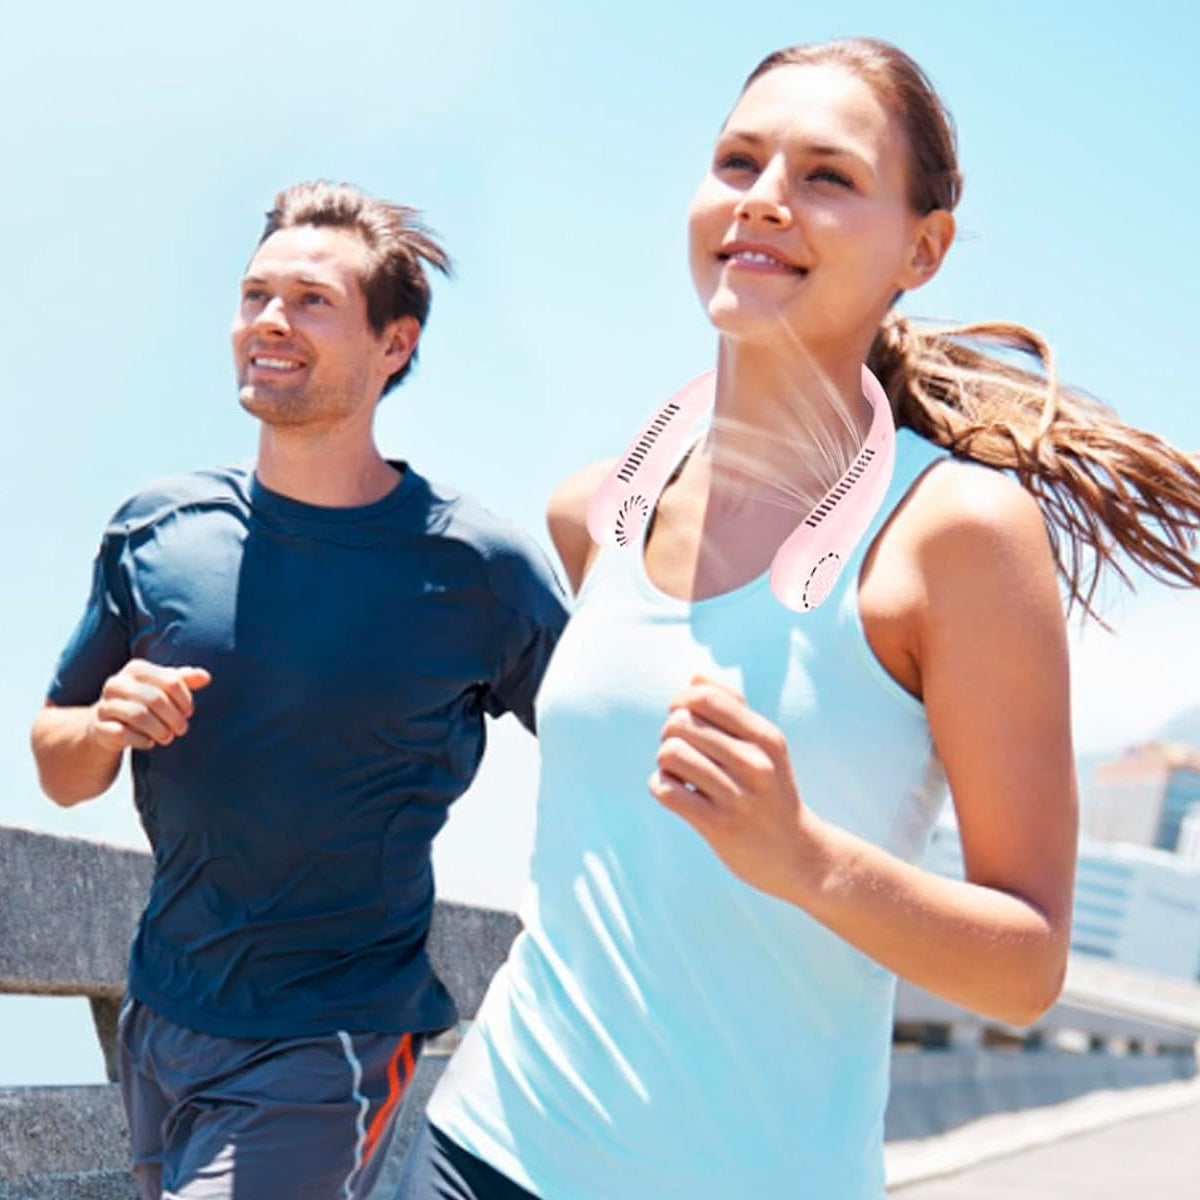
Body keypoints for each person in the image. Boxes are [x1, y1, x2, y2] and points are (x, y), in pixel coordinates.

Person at [393, 37, 1200, 1200]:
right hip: (480, 1154)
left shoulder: (955, 536)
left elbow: (1026, 966)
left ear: (921, 248)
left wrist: (806, 859)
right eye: (737, 161)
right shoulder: (599, 513)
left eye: (827, 176)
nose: (764, 199)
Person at [30, 181, 569, 1200]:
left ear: (394, 346)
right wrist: (106, 725)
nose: (269, 321)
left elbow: (609, 748)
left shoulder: (477, 566)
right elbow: (57, 761)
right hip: (162, 1019)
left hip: (334, 1037)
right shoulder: (156, 530)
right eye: (254, 295)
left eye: (312, 301)